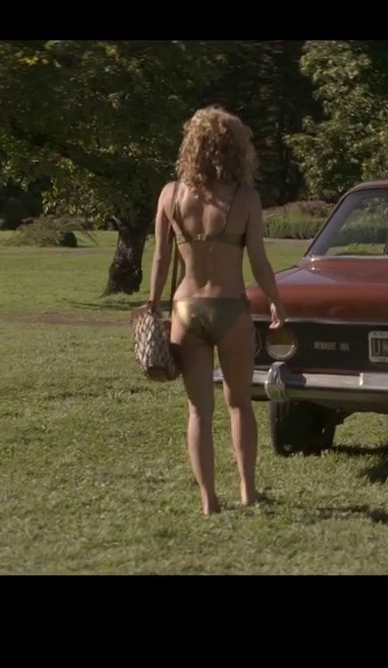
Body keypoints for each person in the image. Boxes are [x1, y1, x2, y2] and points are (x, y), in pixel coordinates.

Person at [145, 106, 287, 516]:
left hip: (186, 308)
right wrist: (277, 303)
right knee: (239, 403)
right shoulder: (245, 198)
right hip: (231, 307)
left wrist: (153, 304)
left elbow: (160, 258)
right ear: (235, 147)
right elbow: (258, 261)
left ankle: (208, 499)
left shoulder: (171, 194)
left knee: (198, 411)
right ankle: (247, 490)